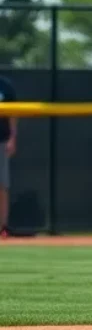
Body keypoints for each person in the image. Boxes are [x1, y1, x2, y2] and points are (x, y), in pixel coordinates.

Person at [0, 73, 17, 238]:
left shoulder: (5, 85)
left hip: (1, 140)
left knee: (2, 185)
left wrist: (13, 138)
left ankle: (3, 227)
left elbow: (13, 114)